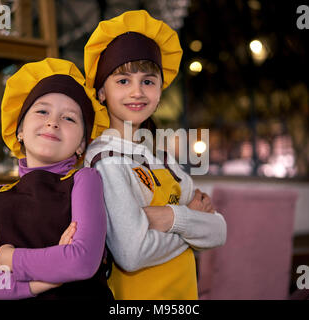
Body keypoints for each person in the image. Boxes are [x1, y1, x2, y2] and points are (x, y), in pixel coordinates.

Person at [83, 10, 227, 300]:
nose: (137, 92)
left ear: (160, 90)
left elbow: (219, 230)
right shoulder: (105, 161)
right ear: (101, 92)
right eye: (123, 81)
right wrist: (190, 225)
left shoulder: (161, 158)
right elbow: (131, 253)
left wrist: (167, 217)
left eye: (148, 81)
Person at [0, 58, 113, 300]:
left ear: (82, 145)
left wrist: (9, 258)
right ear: (19, 130)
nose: (52, 122)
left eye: (70, 118)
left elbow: (82, 261)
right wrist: (41, 282)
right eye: (42, 111)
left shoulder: (84, 180)